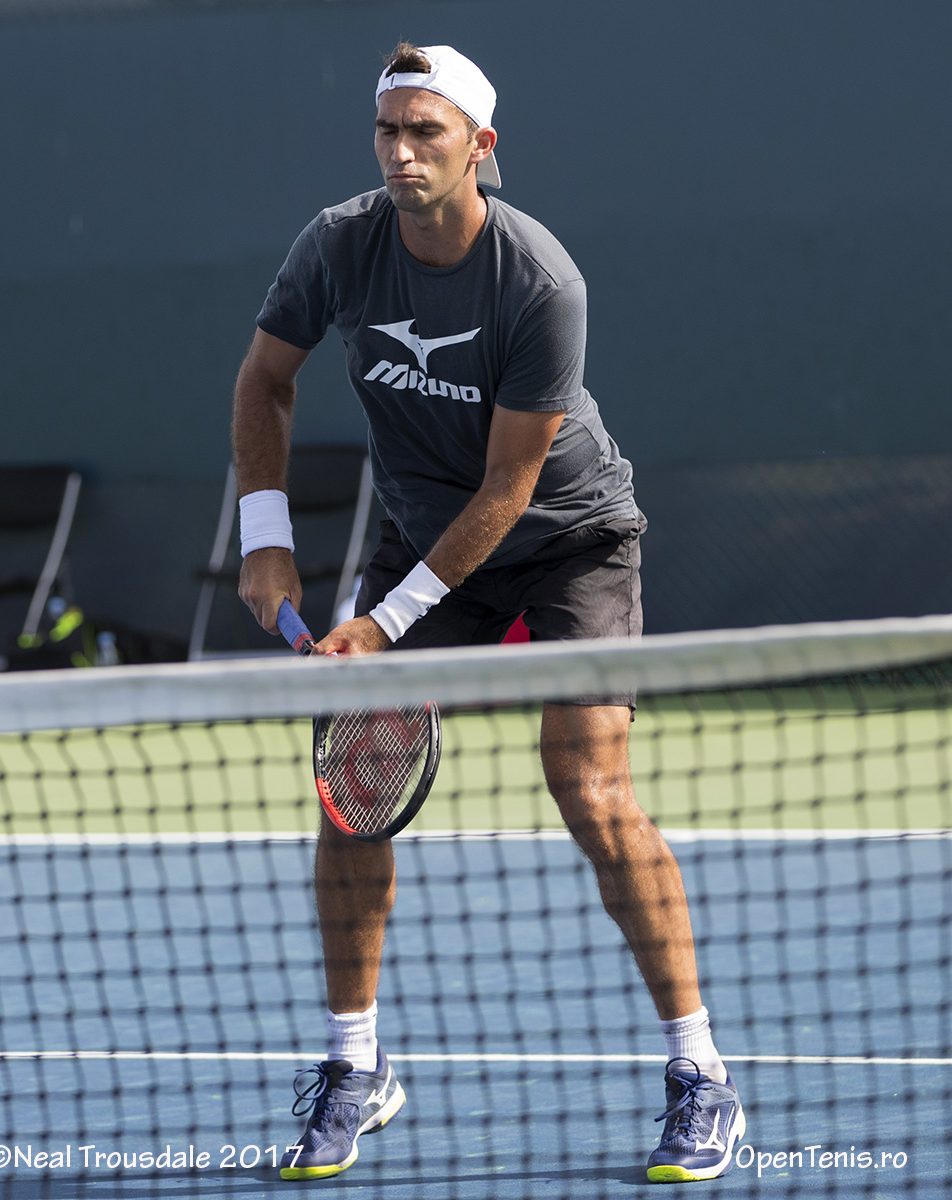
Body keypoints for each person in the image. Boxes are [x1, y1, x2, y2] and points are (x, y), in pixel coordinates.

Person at [233, 42, 745, 1184]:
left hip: (569, 541)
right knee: (355, 793)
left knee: (589, 787)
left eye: (427, 132)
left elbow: (510, 488)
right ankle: (355, 1065)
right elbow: (264, 379)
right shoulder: (339, 244)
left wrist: (382, 624)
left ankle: (702, 1074)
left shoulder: (538, 281)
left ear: (480, 146)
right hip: (423, 530)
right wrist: (265, 540)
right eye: (388, 131)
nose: (402, 153)